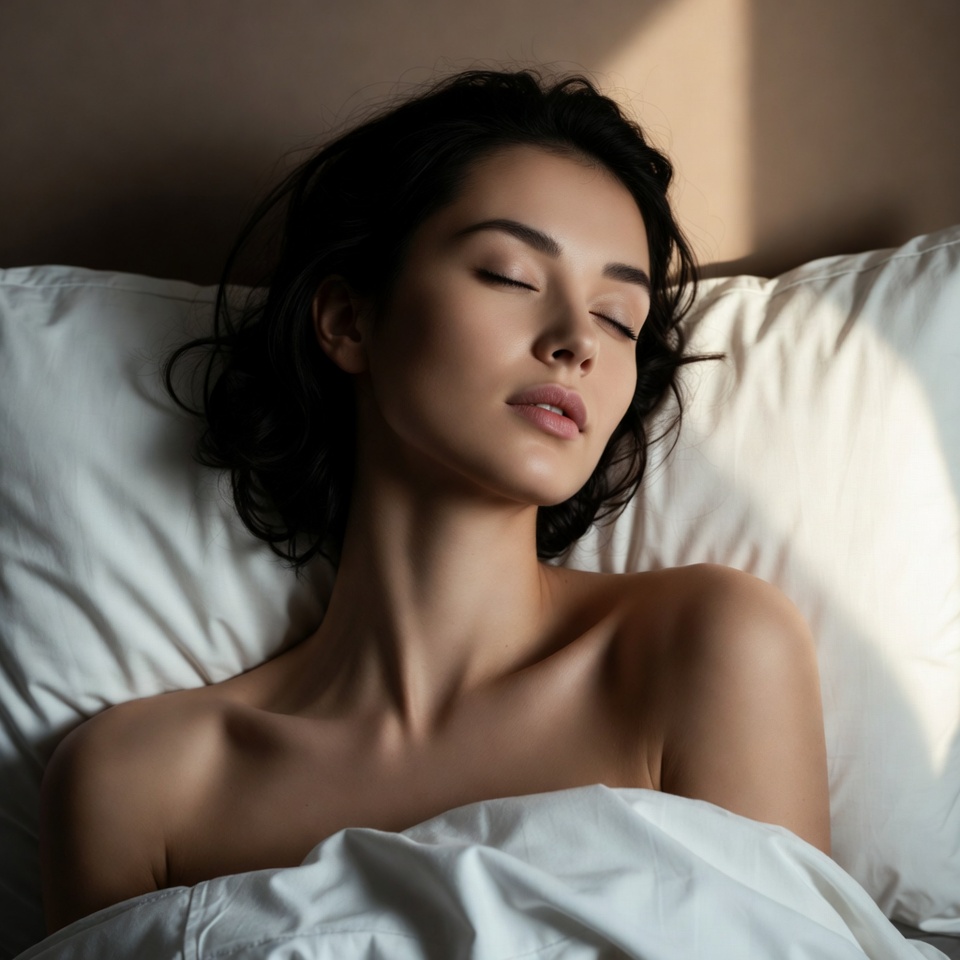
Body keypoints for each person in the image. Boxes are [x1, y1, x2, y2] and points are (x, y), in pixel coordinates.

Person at [38, 67, 831, 933]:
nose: (576, 342)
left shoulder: (704, 649)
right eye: (509, 275)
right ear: (347, 319)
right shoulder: (140, 784)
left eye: (619, 319)